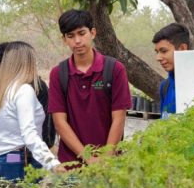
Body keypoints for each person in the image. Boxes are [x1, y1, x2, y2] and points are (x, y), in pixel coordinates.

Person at [48, 9, 132, 166]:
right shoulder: (58, 74)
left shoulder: (114, 69)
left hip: (110, 164)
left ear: (92, 33)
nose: (77, 41)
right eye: (70, 36)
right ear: (64, 39)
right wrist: (88, 158)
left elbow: (119, 117)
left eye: (82, 33)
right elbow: (60, 122)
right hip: (71, 165)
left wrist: (106, 157)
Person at [0, 42, 62, 180]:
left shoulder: (2, 90)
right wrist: (52, 163)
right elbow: (29, 134)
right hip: (17, 162)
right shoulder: (24, 90)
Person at [0, 42, 55, 146]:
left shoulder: (37, 86)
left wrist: (45, 146)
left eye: (3, 70)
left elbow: (47, 123)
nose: (2, 75)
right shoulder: (0, 85)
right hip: (11, 149)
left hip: (33, 147)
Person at [152, 23, 191, 118]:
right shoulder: (165, 87)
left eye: (164, 51)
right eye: (157, 52)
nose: (158, 58)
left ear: (182, 49)